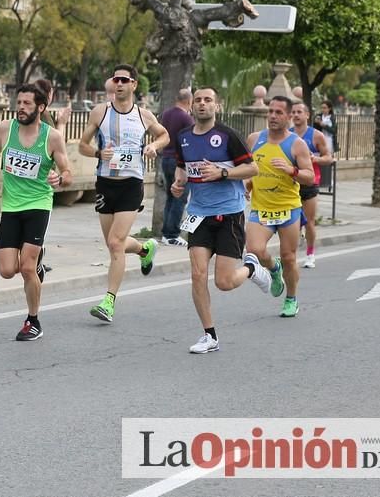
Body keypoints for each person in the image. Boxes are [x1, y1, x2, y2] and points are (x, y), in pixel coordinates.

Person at [170, 87, 268, 353]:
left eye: (208, 100)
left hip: (229, 215)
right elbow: (182, 167)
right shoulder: (183, 137)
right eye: (198, 100)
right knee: (197, 274)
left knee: (223, 282)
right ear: (191, 106)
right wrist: (179, 183)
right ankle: (209, 335)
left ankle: (251, 268)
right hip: (198, 214)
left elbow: (253, 168)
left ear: (217, 106)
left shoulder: (227, 135)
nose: (202, 104)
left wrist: (222, 172)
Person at [79, 63, 169, 323]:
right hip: (105, 184)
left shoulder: (144, 116)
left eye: (124, 80)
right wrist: (98, 153)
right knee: (112, 243)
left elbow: (165, 136)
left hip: (131, 184)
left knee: (115, 244)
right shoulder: (100, 112)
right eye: (115, 80)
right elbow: (83, 145)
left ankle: (108, 301)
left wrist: (154, 146)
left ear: (133, 85)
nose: (119, 84)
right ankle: (144, 250)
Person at [0, 84, 72, 341]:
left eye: (27, 103)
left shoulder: (52, 137)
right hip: (11, 206)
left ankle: (33, 321)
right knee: (6, 270)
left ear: (40, 107)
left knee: (26, 268)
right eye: (19, 102)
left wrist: (61, 179)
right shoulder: (5, 128)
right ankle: (38, 267)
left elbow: (68, 173)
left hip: (38, 205)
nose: (21, 107)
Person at [245, 96, 315, 318]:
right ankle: (273, 269)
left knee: (289, 257)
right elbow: (247, 168)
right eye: (271, 111)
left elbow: (310, 177)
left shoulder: (296, 144)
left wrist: (291, 170)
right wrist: (246, 184)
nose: (273, 116)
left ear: (288, 116)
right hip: (261, 208)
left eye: (279, 112)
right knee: (254, 250)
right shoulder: (255, 139)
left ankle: (291, 298)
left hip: (288, 210)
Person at [289, 102, 333, 268]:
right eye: (293, 112)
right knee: (289, 222)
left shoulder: (316, 136)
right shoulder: (287, 135)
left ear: (307, 115)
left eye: (299, 111)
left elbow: (328, 157)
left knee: (309, 221)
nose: (296, 115)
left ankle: (310, 254)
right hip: (291, 183)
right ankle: (289, 253)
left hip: (310, 182)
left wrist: (315, 159)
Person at [35, 78, 71, 274]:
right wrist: (62, 123)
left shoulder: (41, 114)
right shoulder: (44, 115)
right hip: (42, 177)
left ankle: (36, 259)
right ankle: (36, 261)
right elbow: (57, 142)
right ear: (49, 95)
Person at [157, 88, 194, 247]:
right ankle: (172, 234)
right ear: (189, 101)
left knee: (170, 196)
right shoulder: (186, 118)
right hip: (179, 161)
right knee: (180, 197)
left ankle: (166, 232)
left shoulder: (166, 114)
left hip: (166, 158)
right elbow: (192, 139)